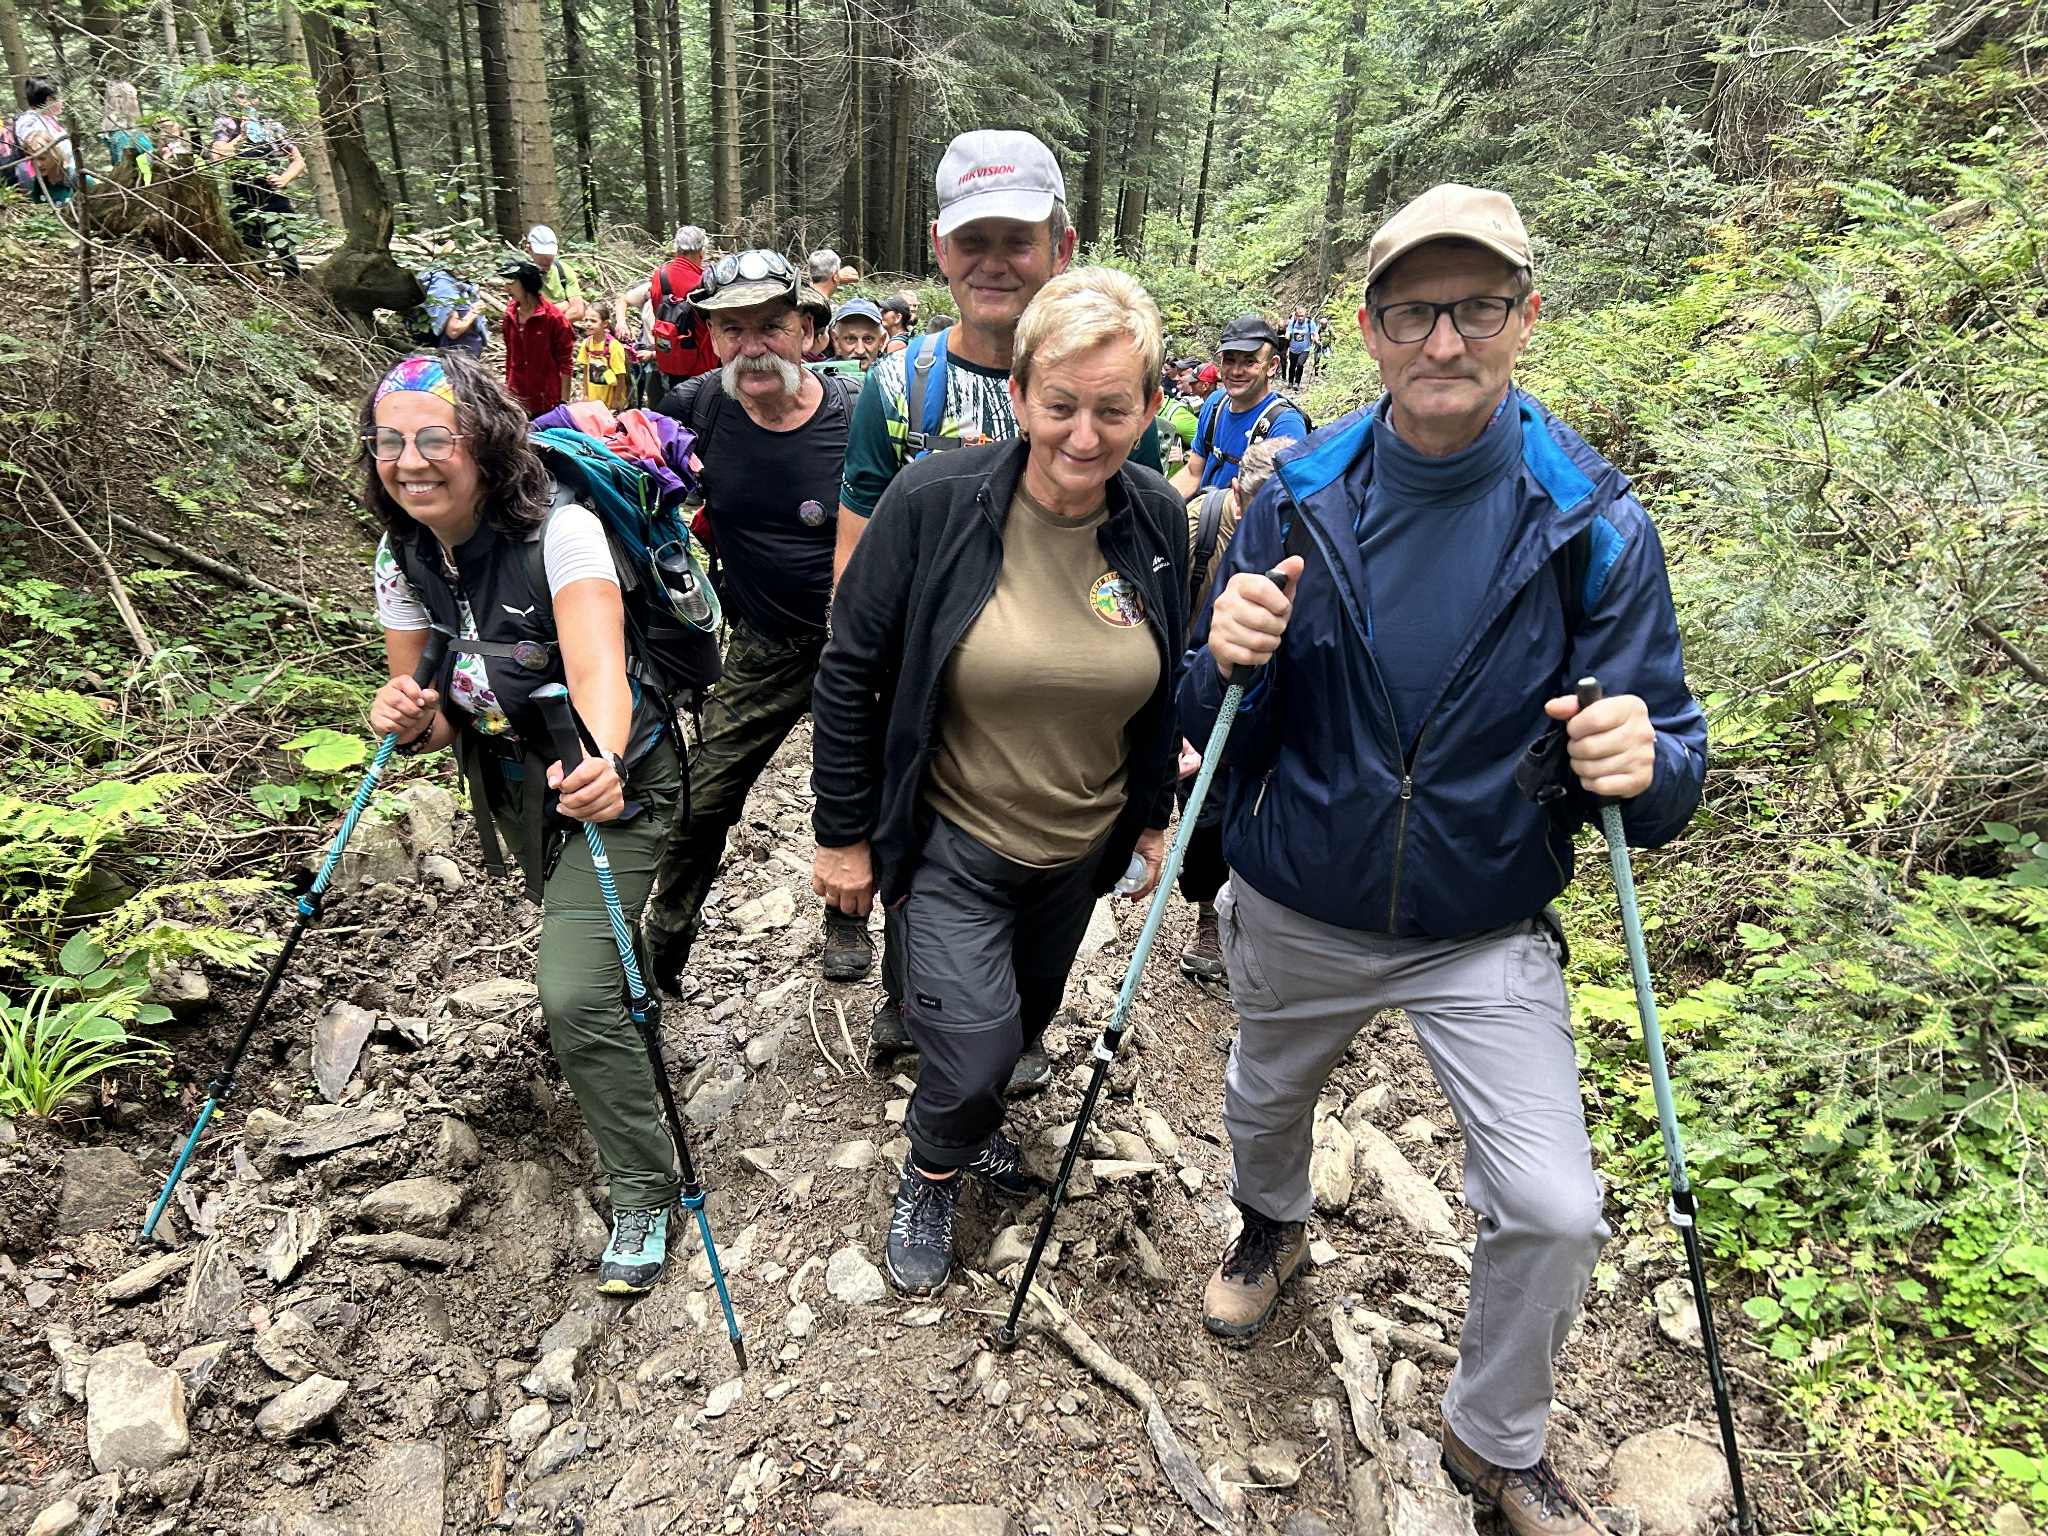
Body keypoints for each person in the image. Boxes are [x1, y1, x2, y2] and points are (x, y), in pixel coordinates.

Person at [1183, 184, 1708, 1535]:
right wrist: (1217, 663)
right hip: (1301, 889)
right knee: (1260, 1099)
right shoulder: (1293, 495)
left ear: (1527, 318)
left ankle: (1494, 1439)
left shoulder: (1593, 520)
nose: (1445, 339)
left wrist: (1646, 766)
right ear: (1368, 328)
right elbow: (1209, 711)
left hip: (1483, 917)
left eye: (1477, 307)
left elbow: (1666, 761)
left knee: (1552, 1203)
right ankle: (1272, 1222)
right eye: (1415, 310)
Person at [811, 267, 1188, 1294]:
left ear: (1150, 407)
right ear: (1018, 394)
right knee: (974, 1054)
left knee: (1022, 1030)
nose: (1083, 434)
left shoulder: (1157, 521)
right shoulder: (935, 501)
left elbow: (1163, 681)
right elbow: (849, 667)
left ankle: (971, 1128)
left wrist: (1152, 817)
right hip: (951, 841)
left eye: (1113, 409)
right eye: (1059, 404)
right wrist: (840, 835)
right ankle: (930, 1171)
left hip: (1077, 850)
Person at [831, 127, 1168, 1082]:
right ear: (939, 249)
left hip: (1050, 729)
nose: (993, 262)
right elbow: (856, 581)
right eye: (971, 240)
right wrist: (850, 806)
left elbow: (1132, 554)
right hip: (924, 714)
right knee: (930, 886)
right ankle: (924, 1007)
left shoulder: (1106, 381)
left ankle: (971, 1024)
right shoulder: (899, 386)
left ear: (1059, 244)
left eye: (1016, 239)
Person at [362, 353, 687, 1295]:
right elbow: (432, 709)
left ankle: (643, 1189)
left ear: (485, 444)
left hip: (611, 782)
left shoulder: (565, 530)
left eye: (435, 438)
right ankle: (626, 1033)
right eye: (390, 441)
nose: (411, 460)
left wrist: (603, 760)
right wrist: (405, 714)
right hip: (513, 785)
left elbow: (599, 672)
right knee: (589, 964)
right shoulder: (403, 551)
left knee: (575, 993)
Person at [642, 251, 859, 991]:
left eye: (771, 325)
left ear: (807, 330)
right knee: (702, 801)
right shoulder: (696, 408)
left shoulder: (857, 416)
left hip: (859, 648)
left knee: (866, 790)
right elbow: (619, 476)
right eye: (732, 329)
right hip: (762, 643)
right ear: (711, 336)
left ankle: (852, 924)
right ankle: (659, 956)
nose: (752, 345)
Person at [1174, 433, 1293, 979]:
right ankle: (1206, 916)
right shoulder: (1198, 527)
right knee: (1204, 813)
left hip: (1275, 701)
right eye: (1261, 503)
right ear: (1241, 500)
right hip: (1201, 680)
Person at [1170, 316, 1309, 500]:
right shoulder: (1215, 404)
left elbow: (1276, 507)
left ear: (1272, 366)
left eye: (1249, 362)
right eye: (1229, 360)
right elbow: (1193, 473)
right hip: (1204, 517)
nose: (1236, 371)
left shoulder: (1284, 425)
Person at [208, 89, 305, 272]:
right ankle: (259, 285)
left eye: (249, 97)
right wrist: (241, 136)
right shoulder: (225, 123)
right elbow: (218, 156)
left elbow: (298, 161)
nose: (245, 101)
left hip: (272, 190)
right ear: (234, 99)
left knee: (285, 242)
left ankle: (296, 284)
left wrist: (284, 178)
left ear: (257, 100)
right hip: (242, 190)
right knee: (250, 244)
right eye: (240, 96)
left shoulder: (271, 126)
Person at [617, 225, 718, 389]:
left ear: (676, 250)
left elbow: (659, 311)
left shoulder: (660, 275)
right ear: (701, 252)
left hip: (670, 361)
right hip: (702, 367)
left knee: (674, 409)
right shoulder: (704, 281)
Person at [499, 257, 575, 416]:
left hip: (546, 400)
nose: (506, 289)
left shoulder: (554, 318)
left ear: (526, 284)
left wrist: (563, 403)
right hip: (516, 397)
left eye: (511, 284)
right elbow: (510, 355)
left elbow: (565, 363)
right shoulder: (510, 316)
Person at [11, 78, 77, 204]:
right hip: (48, 184)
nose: (63, 102)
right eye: (59, 98)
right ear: (49, 100)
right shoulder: (31, 123)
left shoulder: (47, 119)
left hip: (64, 179)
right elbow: (36, 150)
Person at [416, 266, 488, 357]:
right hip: (458, 355)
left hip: (466, 353)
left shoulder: (463, 285)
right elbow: (453, 331)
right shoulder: (444, 286)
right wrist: (475, 311)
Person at [573, 308, 632, 410]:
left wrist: (617, 400)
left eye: (593, 321)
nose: (588, 324)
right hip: (593, 398)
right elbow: (586, 370)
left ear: (604, 324)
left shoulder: (613, 346)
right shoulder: (586, 343)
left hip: (610, 400)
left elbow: (621, 376)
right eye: (586, 320)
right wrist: (586, 394)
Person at [525, 225, 585, 318]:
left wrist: (546, 319)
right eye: (541, 254)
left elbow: (577, 311)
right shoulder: (522, 275)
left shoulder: (563, 271)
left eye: (549, 253)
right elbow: (525, 313)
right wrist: (564, 306)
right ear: (529, 249)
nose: (546, 259)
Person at [100, 80, 153, 181]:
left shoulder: (131, 130)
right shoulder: (123, 135)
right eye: (133, 98)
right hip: (135, 183)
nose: (136, 102)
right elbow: (123, 166)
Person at [828, 298, 886, 368]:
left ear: (882, 341)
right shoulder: (819, 375)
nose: (860, 351)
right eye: (850, 339)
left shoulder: (895, 373)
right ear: (836, 340)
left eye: (868, 339)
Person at [1284, 306, 1313, 387]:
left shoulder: (1310, 323)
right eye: (1299, 316)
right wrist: (1287, 335)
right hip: (1293, 349)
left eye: (1302, 316)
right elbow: (1288, 331)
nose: (1300, 318)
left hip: (1305, 349)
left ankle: (1297, 382)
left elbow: (1314, 333)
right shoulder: (1292, 323)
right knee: (1292, 366)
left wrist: (1316, 339)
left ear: (1305, 315)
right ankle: (1290, 382)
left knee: (1300, 364)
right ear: (1296, 316)